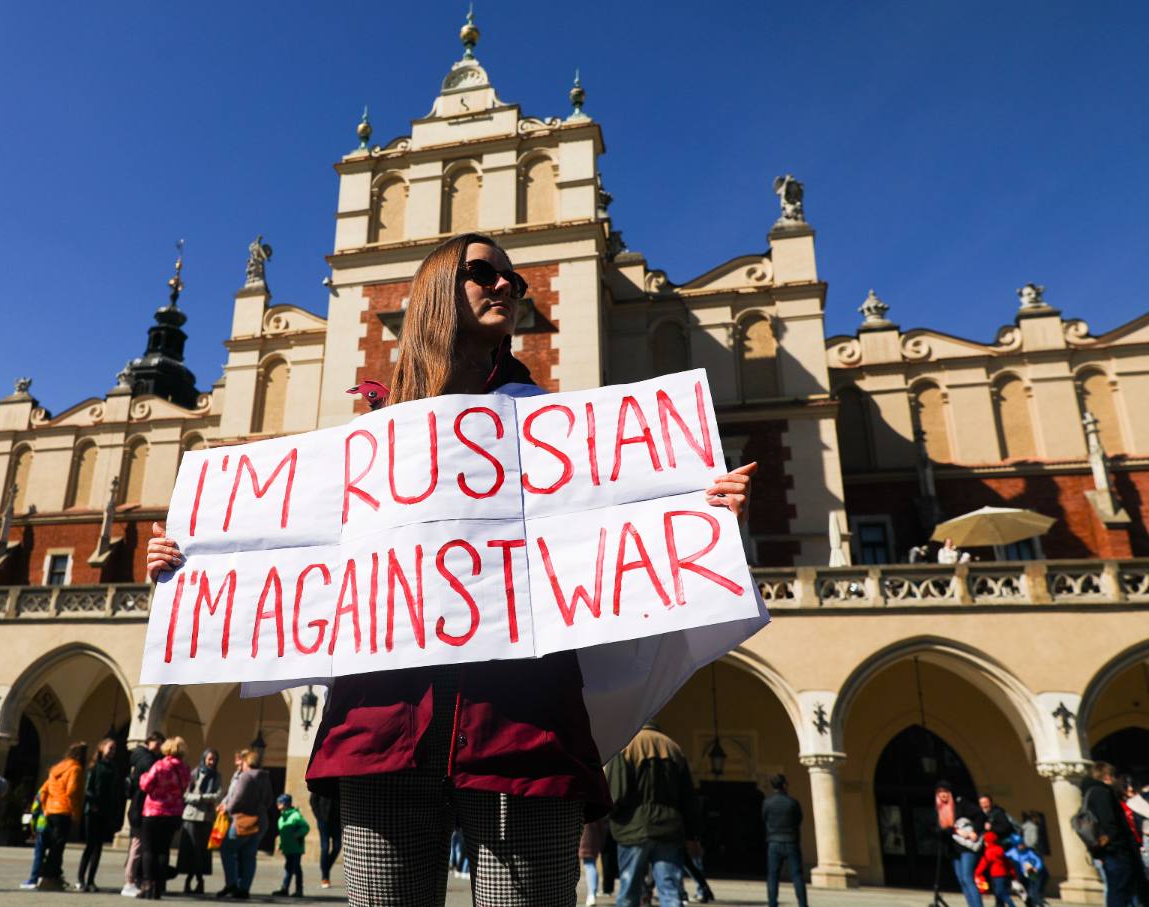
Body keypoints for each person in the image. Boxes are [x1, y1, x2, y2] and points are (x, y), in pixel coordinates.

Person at [145, 232, 757, 907]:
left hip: (522, 733)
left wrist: (703, 504)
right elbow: (286, 552)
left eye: (514, 281)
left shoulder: (553, 429)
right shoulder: (366, 440)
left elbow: (618, 528)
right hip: (382, 733)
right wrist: (190, 560)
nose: (505, 286)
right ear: (437, 289)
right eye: (483, 274)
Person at [606, 721, 703, 907]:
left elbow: (616, 793)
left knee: (628, 892)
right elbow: (688, 799)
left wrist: (612, 817)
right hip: (669, 830)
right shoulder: (673, 747)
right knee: (670, 891)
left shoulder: (627, 745)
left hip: (632, 829)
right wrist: (692, 834)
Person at [1081, 762, 1146, 907]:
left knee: (1119, 891)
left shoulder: (1089, 794)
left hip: (1109, 852)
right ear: (1107, 776)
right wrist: (1118, 843)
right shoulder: (1101, 793)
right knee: (1120, 892)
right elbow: (1110, 823)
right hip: (1116, 852)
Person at [138, 735, 192, 900]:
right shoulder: (185, 769)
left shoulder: (160, 765)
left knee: (148, 850)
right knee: (163, 850)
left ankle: (147, 884)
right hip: (173, 813)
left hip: (153, 812)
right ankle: (159, 886)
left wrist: (141, 776)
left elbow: (146, 784)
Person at [218, 747, 274, 899]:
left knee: (226, 850)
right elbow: (269, 800)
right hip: (261, 821)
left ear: (246, 762)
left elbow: (237, 799)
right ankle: (244, 889)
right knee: (249, 855)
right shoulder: (264, 777)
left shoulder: (246, 777)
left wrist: (227, 809)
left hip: (243, 820)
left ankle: (231, 884)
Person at [36, 741, 87, 891]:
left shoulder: (55, 769)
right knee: (58, 847)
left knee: (52, 845)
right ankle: (50, 877)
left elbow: (43, 790)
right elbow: (72, 792)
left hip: (51, 811)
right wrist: (76, 812)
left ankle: (51, 875)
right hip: (64, 811)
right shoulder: (75, 769)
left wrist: (45, 808)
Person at [122, 731, 165, 898]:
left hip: (139, 806)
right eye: (157, 742)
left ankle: (133, 879)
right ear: (149, 742)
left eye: (161, 742)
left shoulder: (142, 757)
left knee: (138, 845)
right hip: (140, 807)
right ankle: (129, 881)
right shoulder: (147, 760)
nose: (159, 746)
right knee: (138, 845)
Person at [77, 737, 122, 893]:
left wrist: (113, 809)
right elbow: (88, 789)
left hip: (106, 811)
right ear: (102, 748)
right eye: (110, 748)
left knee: (99, 847)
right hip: (93, 810)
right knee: (90, 845)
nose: (112, 751)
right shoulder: (95, 766)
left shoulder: (114, 768)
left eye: (115, 749)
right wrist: (94, 804)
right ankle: (81, 879)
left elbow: (115, 791)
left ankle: (91, 880)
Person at [178, 747, 224, 895]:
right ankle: (189, 880)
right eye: (209, 759)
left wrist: (204, 798)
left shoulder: (217, 776)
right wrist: (201, 798)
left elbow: (218, 794)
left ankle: (199, 880)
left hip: (206, 818)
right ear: (204, 758)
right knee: (190, 849)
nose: (211, 762)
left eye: (214, 760)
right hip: (191, 816)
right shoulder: (194, 774)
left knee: (202, 851)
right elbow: (185, 795)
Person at [936, 781, 987, 907]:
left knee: (967, 878)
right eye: (940, 792)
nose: (943, 794)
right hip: (953, 850)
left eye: (945, 791)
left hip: (967, 847)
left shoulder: (961, 804)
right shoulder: (940, 809)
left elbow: (980, 816)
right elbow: (941, 830)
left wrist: (975, 831)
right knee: (962, 880)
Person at [763, 773, 807, 907]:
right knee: (797, 875)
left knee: (773, 875)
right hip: (791, 841)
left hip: (774, 843)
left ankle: (772, 903)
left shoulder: (767, 803)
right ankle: (803, 904)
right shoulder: (793, 803)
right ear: (784, 785)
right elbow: (799, 819)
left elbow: (764, 819)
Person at [273, 793, 311, 898]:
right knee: (288, 868)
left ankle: (299, 890)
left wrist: (297, 835)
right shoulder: (281, 819)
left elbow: (305, 827)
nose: (277, 804)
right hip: (288, 848)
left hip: (296, 848)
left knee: (296, 868)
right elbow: (282, 834)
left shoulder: (295, 815)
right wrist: (280, 845)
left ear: (286, 803)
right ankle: (285, 888)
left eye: (280, 802)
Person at [973, 830, 1016, 907]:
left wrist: (977, 873)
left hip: (995, 875)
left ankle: (1011, 905)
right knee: (1000, 892)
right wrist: (1012, 872)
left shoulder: (989, 851)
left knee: (1001, 893)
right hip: (1003, 874)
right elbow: (1007, 863)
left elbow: (983, 863)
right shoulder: (1000, 849)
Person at [309, 789, 341, 890]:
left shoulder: (340, 782)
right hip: (323, 820)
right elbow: (313, 801)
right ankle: (325, 877)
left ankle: (325, 868)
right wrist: (319, 816)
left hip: (337, 821)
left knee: (337, 846)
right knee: (325, 847)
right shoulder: (321, 780)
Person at [18, 791, 50, 890]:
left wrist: (32, 827)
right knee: (52, 854)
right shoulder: (60, 789)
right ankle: (47, 877)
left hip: (42, 825)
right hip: (56, 826)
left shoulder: (43, 791)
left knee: (39, 854)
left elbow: (35, 810)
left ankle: (34, 879)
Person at [1004, 834, 1046, 907]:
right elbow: (1003, 858)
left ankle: (1040, 904)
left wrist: (1037, 867)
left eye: (1022, 844)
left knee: (1033, 892)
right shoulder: (1012, 852)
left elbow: (1038, 860)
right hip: (1018, 876)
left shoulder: (1028, 851)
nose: (1021, 846)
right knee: (1023, 893)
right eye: (1019, 845)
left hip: (1030, 875)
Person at [579, 817, 608, 907]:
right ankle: (592, 894)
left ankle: (591, 895)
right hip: (592, 838)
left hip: (580, 837)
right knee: (590, 865)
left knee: (589, 865)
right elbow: (602, 826)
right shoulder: (594, 803)